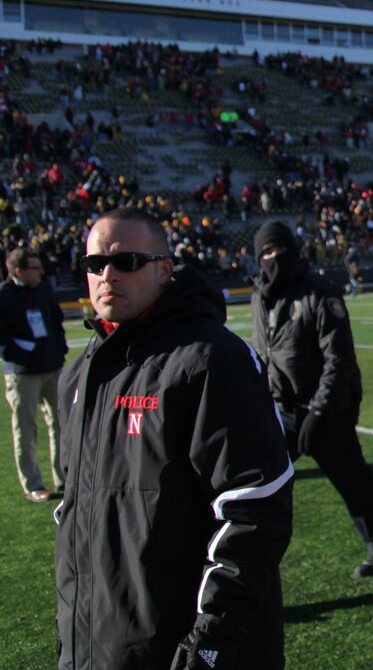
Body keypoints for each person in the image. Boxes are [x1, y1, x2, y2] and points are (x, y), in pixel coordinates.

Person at [56, 207, 293, 670]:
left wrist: (210, 639)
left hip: (187, 650)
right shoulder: (79, 376)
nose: (107, 275)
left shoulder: (211, 359)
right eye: (94, 264)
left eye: (126, 262)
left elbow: (253, 509)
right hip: (101, 645)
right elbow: (74, 515)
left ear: (164, 270)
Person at [250, 221, 373, 578]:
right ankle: (250, 565)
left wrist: (319, 410)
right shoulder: (260, 295)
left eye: (278, 249)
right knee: (257, 487)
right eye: (266, 253)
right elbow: (264, 350)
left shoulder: (319, 292)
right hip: (282, 409)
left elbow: (339, 359)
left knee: (354, 481)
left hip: (327, 410)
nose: (274, 258)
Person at [0, 247, 67, 503]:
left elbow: (55, 320)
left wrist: (58, 351)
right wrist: (23, 355)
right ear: (19, 271)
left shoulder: (43, 289)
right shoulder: (4, 295)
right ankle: (33, 485)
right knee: (25, 429)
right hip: (22, 373)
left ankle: (64, 477)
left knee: (60, 425)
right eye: (35, 268)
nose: (41, 272)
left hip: (51, 368)